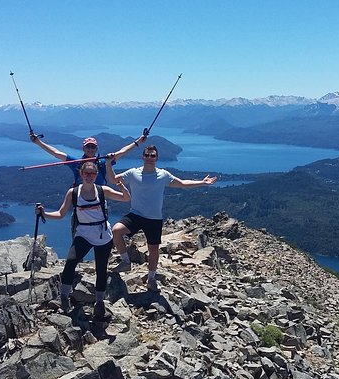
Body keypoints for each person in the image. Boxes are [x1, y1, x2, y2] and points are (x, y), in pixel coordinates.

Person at [106, 145, 217, 291]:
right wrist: (108, 163)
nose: (150, 158)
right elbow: (113, 180)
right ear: (143, 157)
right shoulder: (133, 173)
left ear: (156, 158)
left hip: (154, 218)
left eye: (152, 156)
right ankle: (126, 261)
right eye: (147, 155)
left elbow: (182, 183)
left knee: (153, 250)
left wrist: (202, 183)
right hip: (136, 214)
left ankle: (151, 278)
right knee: (116, 231)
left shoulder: (163, 175)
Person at [35, 161, 130, 318]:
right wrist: (44, 214)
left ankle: (99, 304)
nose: (89, 177)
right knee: (71, 262)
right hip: (84, 234)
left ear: (96, 175)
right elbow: (60, 213)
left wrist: (122, 187)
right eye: (86, 173)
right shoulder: (73, 193)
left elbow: (126, 199)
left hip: (103, 235)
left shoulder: (102, 190)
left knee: (101, 269)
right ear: (81, 174)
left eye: (92, 174)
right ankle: (64, 297)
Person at [30, 132, 147, 186]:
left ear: (96, 148)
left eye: (92, 147)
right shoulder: (76, 163)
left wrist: (138, 142)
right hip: (80, 201)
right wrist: (38, 142)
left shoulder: (103, 162)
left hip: (99, 199)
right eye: (88, 147)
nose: (90, 149)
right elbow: (56, 153)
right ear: (83, 148)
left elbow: (122, 152)